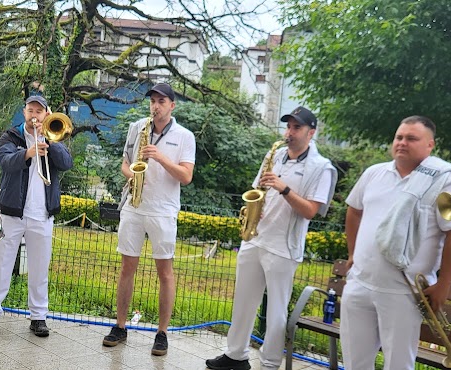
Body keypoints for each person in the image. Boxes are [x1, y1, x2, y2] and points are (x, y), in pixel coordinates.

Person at [205, 107, 337, 370]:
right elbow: (257, 189)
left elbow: (311, 210)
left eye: (296, 128)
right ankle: (236, 355)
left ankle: (269, 363)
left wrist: (283, 188)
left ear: (311, 133)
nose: (289, 132)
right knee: (243, 300)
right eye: (288, 126)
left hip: (283, 247)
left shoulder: (322, 168)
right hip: (256, 237)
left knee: (276, 310)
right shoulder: (275, 154)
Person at [339, 116, 451, 370]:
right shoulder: (374, 173)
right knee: (355, 364)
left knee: (399, 364)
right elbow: (353, 210)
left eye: (411, 138)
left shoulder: (446, 180)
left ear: (430, 145)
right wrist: (352, 253)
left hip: (404, 291)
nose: (402, 143)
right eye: (399, 137)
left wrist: (444, 284)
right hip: (360, 283)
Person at [101, 83, 196, 356]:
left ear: (172, 105)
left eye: (161, 101)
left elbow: (186, 176)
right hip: (134, 205)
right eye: (153, 100)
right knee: (126, 267)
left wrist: (161, 158)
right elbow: (124, 164)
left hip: (163, 211)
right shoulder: (137, 128)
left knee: (165, 273)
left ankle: (162, 333)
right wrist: (134, 175)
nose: (155, 106)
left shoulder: (184, 136)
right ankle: (120, 326)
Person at [0, 95, 73, 338]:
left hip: (43, 214)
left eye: (39, 111)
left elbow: (66, 163)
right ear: (24, 112)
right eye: (31, 110)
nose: (35, 115)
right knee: (1, 264)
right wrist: (29, 153)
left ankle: (38, 317)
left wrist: (50, 142)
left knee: (40, 267)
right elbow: (5, 161)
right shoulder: (11, 137)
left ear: (46, 114)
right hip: (12, 212)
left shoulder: (54, 135)